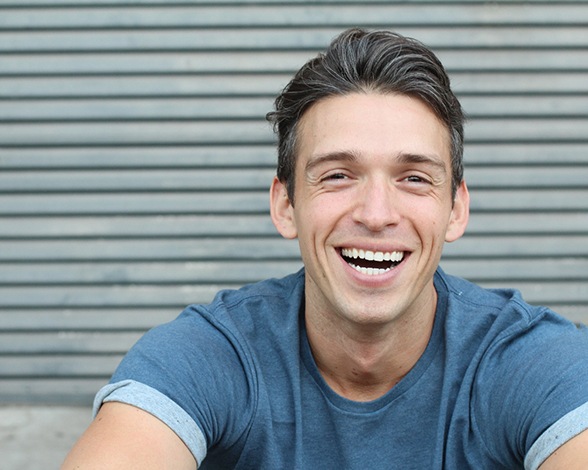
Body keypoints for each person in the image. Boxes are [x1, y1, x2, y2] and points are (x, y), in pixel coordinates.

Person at [62, 28, 588, 469]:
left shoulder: (531, 361)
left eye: (413, 178)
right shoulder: (212, 354)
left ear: (455, 209)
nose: (377, 214)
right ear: (286, 205)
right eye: (338, 175)